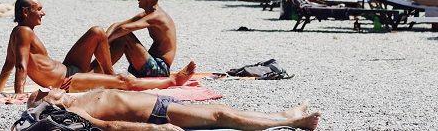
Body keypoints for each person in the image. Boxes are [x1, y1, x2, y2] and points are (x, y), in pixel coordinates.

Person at [0, 0, 193, 95]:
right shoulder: (23, 32)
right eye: (38, 9)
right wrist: (18, 95)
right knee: (124, 82)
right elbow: (19, 65)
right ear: (25, 12)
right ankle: (173, 81)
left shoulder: (19, 33)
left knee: (97, 32)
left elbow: (8, 64)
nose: (43, 13)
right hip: (68, 81)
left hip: (68, 68)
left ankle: (109, 74)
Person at [22, 88, 321, 131]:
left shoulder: (76, 95)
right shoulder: (74, 112)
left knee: (222, 109)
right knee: (222, 116)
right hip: (158, 115)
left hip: (160, 102)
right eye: (45, 93)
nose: (52, 88)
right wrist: (157, 129)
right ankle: (294, 123)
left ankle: (282, 116)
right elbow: (111, 127)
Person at [105, 0, 176, 78]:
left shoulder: (157, 16)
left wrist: (104, 43)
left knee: (125, 36)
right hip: (150, 64)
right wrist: (104, 39)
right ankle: (98, 69)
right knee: (120, 37)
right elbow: (117, 25)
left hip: (159, 69)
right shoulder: (147, 14)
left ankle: (100, 70)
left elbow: (124, 28)